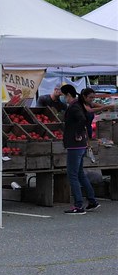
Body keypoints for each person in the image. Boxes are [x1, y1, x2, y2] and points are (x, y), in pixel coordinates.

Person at [59, 84, 99, 215]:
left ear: (68, 95)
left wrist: (77, 133)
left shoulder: (74, 106)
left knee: (73, 174)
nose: (63, 98)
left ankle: (78, 205)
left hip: (75, 145)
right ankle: (92, 200)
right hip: (81, 144)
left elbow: (82, 119)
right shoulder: (79, 105)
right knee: (80, 173)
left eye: (64, 96)